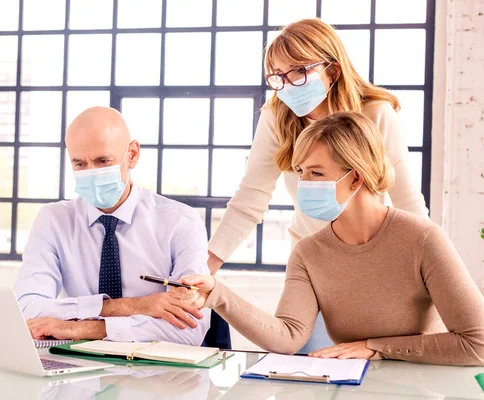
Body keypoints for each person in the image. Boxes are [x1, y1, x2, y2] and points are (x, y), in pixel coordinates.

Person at [176, 111, 484, 366]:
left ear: (356, 177)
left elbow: (477, 344)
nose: (302, 183)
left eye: (316, 173)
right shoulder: (308, 252)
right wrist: (216, 294)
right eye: (300, 172)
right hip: (352, 388)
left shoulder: (423, 238)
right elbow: (288, 336)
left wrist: (375, 347)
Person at [207, 18, 429, 352]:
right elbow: (250, 197)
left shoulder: (377, 115)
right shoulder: (276, 117)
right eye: (278, 76)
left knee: (373, 365)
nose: (287, 84)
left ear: (333, 71)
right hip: (313, 262)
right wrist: (204, 268)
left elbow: (409, 203)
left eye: (298, 71)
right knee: (302, 360)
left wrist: (429, 273)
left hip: (377, 261)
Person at [14, 106, 210, 344]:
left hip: (155, 374)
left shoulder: (180, 222)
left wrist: (82, 329)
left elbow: (189, 329)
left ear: (132, 155)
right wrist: (137, 306)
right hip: (77, 370)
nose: (92, 173)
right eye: (80, 164)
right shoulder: (53, 220)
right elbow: (26, 310)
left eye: (103, 161)